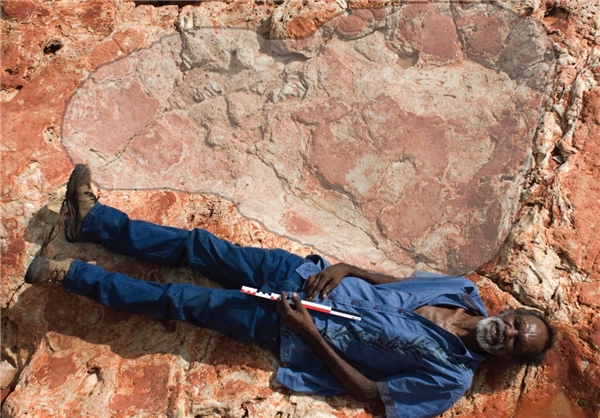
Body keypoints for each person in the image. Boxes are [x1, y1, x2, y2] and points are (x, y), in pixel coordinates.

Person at [25, 164, 554, 418]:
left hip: (289, 326)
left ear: (508, 359)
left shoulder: (451, 380)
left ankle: (70, 276)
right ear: (512, 311)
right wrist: (347, 268)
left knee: (179, 301)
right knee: (198, 245)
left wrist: (310, 333)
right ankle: (93, 223)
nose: (507, 334)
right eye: (516, 324)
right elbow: (400, 285)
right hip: (301, 273)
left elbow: (372, 393)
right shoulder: (462, 290)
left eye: (516, 344)